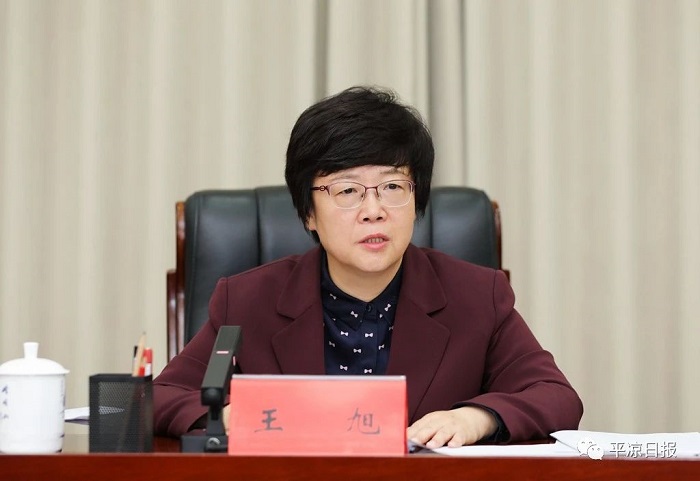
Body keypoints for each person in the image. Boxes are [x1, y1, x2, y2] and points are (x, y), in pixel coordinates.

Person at [153, 86, 583, 447]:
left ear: (417, 200)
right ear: (308, 212)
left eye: (393, 186)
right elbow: (162, 396)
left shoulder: (476, 296)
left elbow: (556, 396)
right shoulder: (248, 301)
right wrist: (231, 415)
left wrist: (476, 418)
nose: (373, 210)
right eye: (348, 191)